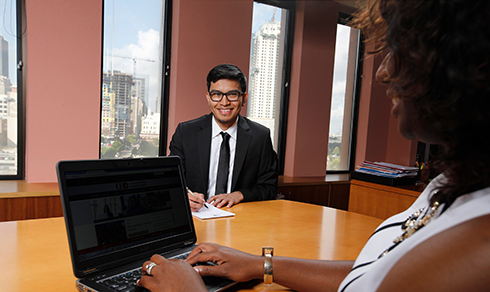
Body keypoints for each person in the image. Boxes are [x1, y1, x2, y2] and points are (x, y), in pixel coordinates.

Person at [137, 1, 490, 291]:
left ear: (458, 62)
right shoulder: (448, 188)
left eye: (397, 50)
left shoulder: (478, 246)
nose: (382, 72)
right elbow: (371, 273)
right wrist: (260, 265)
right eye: (216, 94)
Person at [169, 64, 278, 212]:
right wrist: (184, 196)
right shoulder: (186, 132)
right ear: (208, 97)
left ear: (244, 98)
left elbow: (269, 187)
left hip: (240, 219)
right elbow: (171, 180)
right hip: (198, 216)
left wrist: (239, 195)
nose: (224, 102)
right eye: (216, 94)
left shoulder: (260, 136)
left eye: (232, 94)